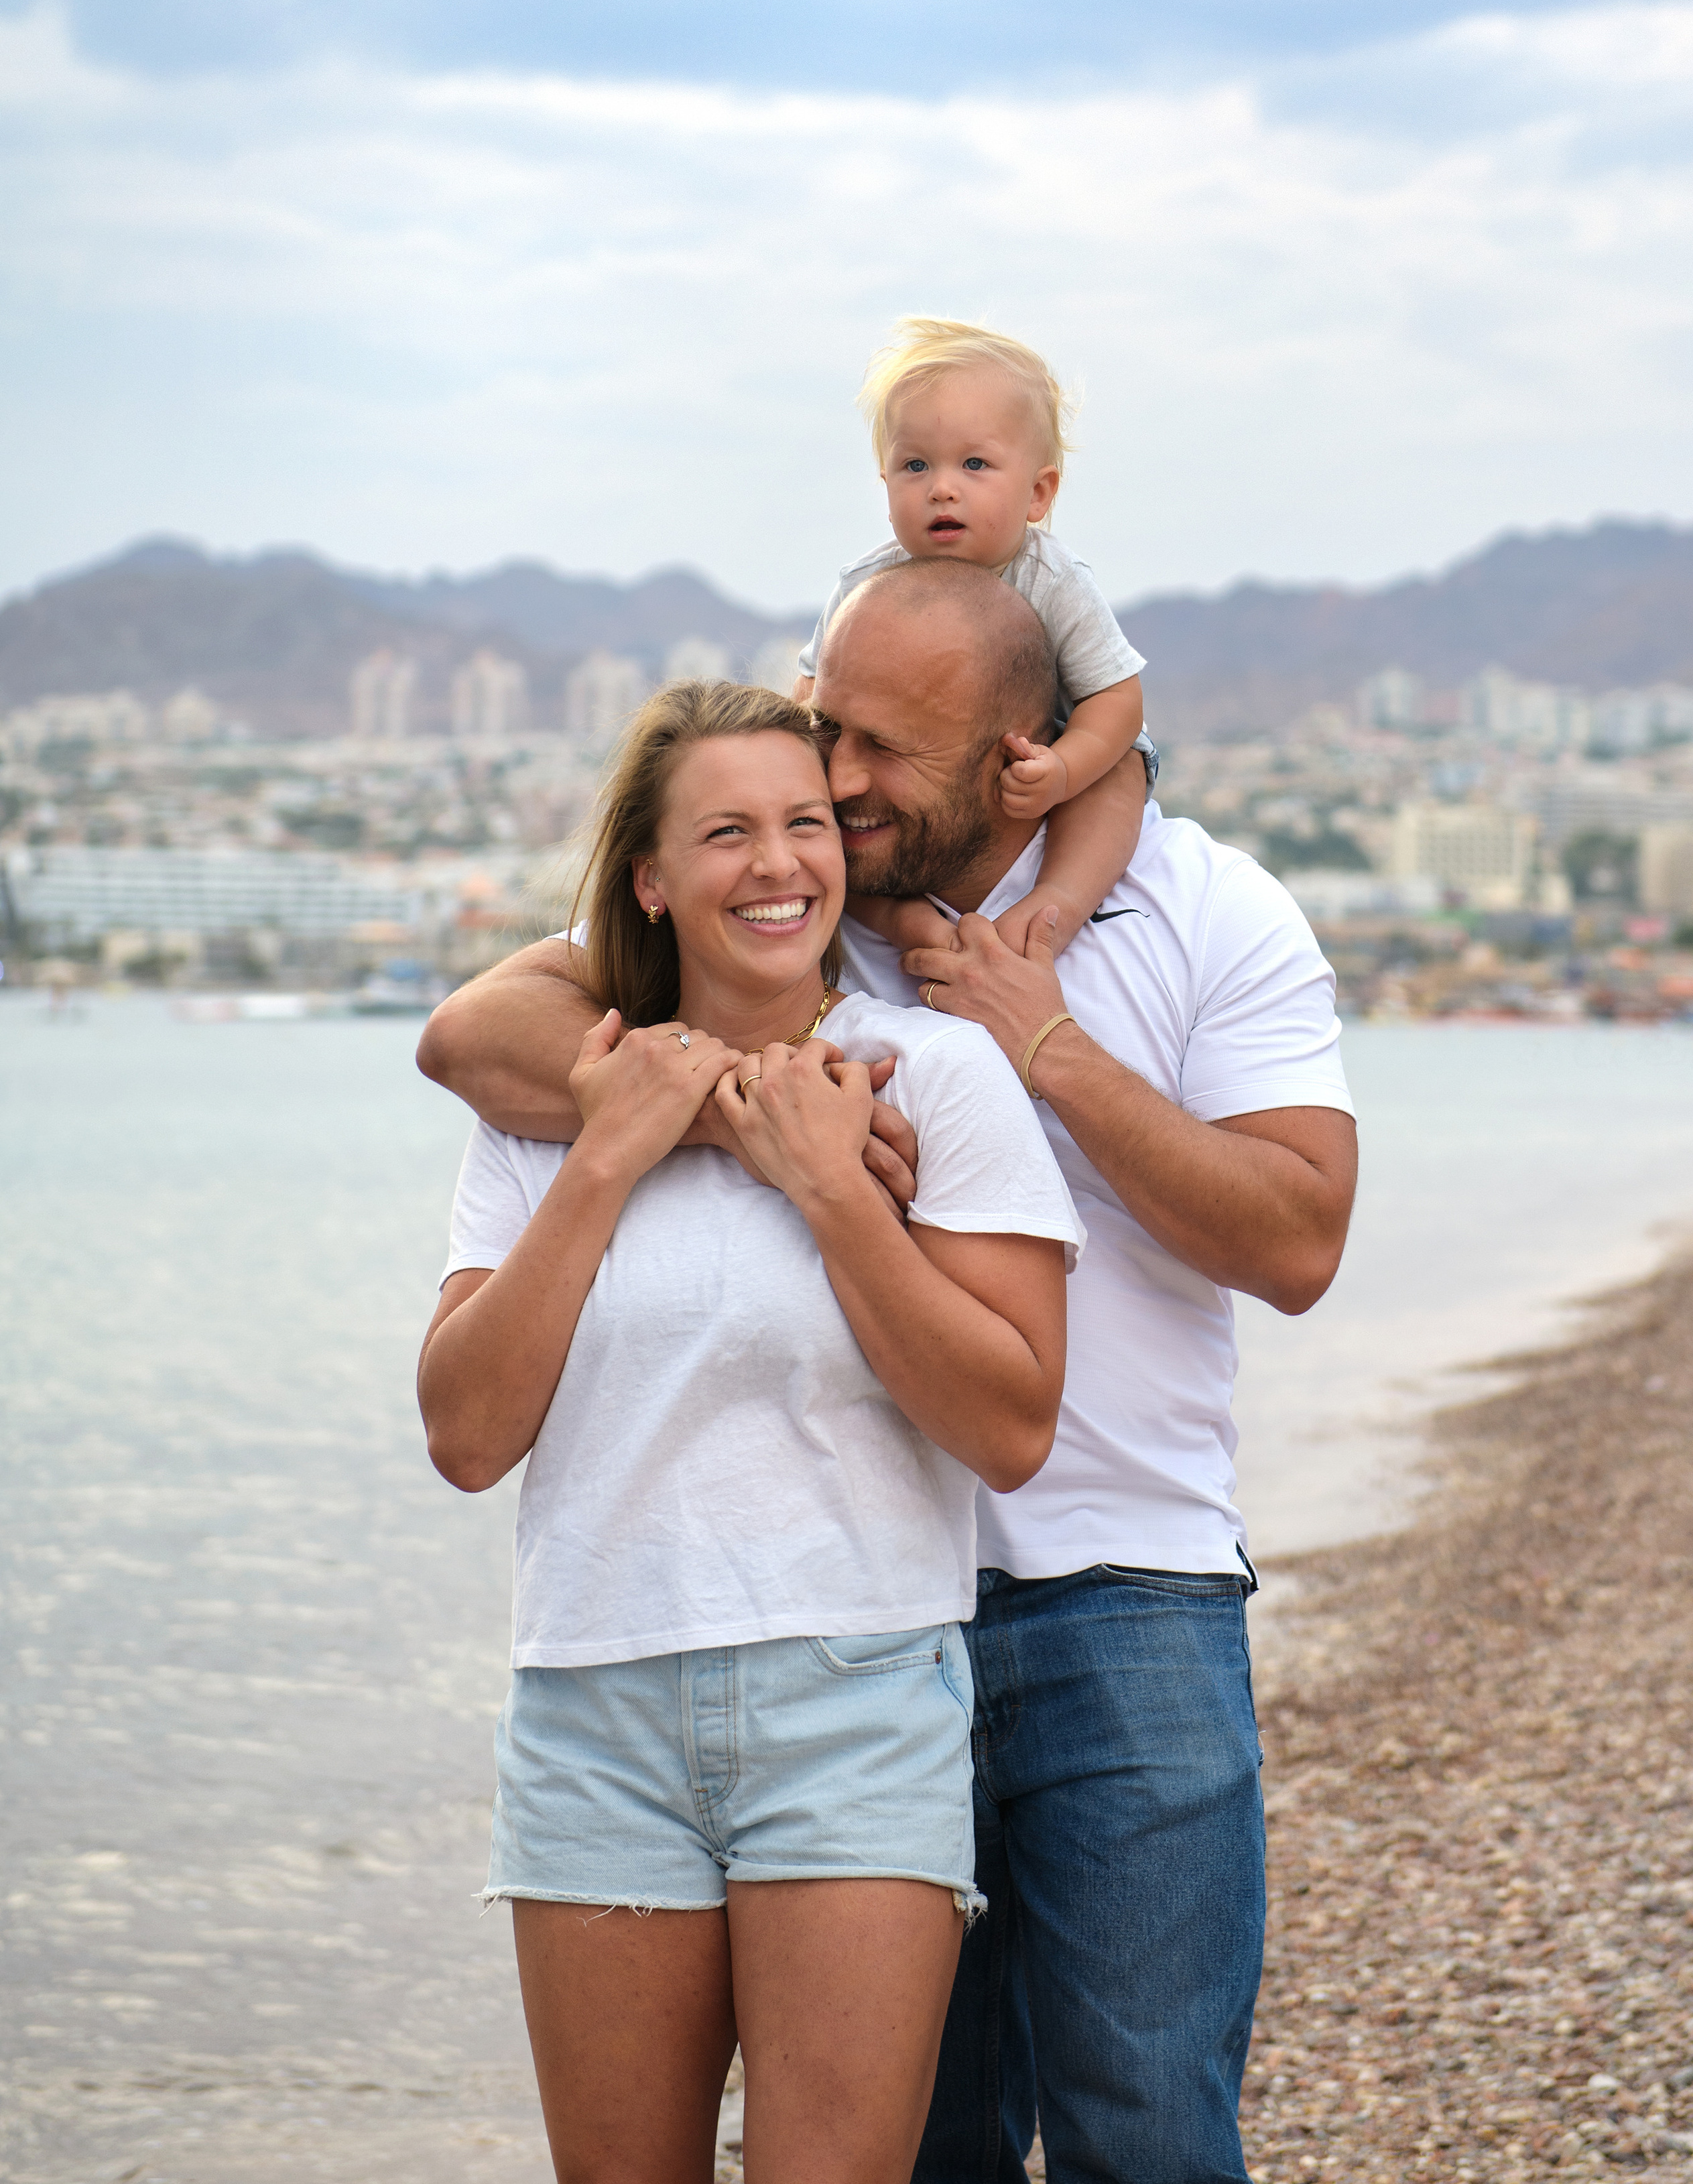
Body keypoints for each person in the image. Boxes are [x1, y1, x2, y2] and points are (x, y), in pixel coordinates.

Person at [418, 565, 1360, 2184]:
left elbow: (1293, 1246)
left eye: (869, 751)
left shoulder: (1196, 916)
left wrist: (1040, 1039)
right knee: (932, 2151)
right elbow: (471, 1039)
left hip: (1109, 1585)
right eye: (819, 733)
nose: (832, 788)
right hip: (817, 1610)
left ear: (1017, 754)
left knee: (1143, 2116)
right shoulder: (805, 899)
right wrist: (751, 1106)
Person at [417, 678, 1084, 2184]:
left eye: (804, 824)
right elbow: (465, 1433)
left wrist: (836, 1189)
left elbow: (1011, 1420)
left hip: (851, 1694)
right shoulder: (552, 1101)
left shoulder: (939, 1075)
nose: (777, 864)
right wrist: (611, 1149)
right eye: (725, 831)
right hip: (594, 1701)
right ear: (651, 878)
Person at [798, 316, 1156, 962]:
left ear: (1038, 493)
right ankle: (898, 921)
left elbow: (1119, 700)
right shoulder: (865, 586)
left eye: (974, 463)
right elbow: (811, 691)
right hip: (910, 806)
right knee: (831, 807)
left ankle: (1056, 907)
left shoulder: (1053, 581)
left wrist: (1065, 767)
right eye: (915, 465)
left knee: (1122, 765)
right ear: (886, 489)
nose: (942, 487)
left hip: (1047, 748)